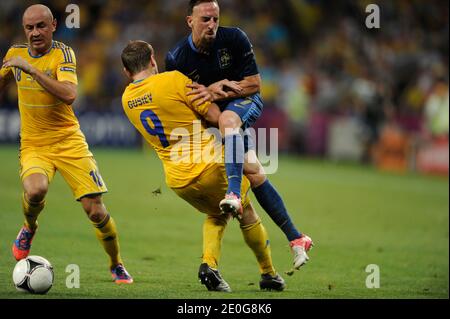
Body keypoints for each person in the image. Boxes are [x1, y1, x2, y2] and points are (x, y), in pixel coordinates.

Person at [121, 40, 285, 291]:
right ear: (153, 59)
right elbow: (215, 117)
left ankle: (211, 267)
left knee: (218, 212)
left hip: (177, 179)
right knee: (246, 208)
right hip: (210, 164)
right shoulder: (173, 79)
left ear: (126, 72)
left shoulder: (127, 99)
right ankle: (269, 273)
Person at [165, 0, 313, 270]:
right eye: (205, 19)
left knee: (229, 119)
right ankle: (297, 238)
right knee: (254, 172)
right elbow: (183, 99)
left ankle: (233, 193)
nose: (211, 25)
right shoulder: (176, 58)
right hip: (212, 118)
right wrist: (210, 91)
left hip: (245, 102)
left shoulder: (234, 38)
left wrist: (216, 92)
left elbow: (255, 84)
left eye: (215, 19)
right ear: (190, 21)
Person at [0, 4, 132, 284]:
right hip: (35, 143)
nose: (35, 33)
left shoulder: (63, 53)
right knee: (36, 190)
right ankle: (29, 226)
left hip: (68, 141)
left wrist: (32, 70)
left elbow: (70, 94)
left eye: (40, 26)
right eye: (29, 27)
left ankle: (116, 263)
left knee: (95, 210)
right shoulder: (14, 55)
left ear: (53, 25)